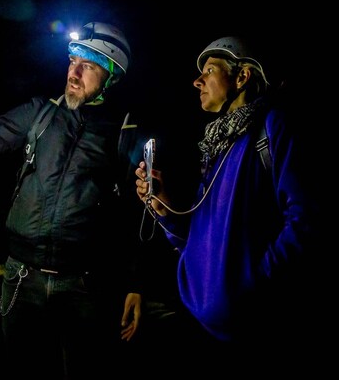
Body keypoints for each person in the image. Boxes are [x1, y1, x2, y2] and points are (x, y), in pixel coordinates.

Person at [0, 21, 144, 377]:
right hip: (21, 277)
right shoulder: (40, 112)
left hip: (84, 286)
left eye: (87, 65)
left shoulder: (123, 133)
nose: (73, 72)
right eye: (72, 60)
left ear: (111, 76)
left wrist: (136, 284)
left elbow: (134, 213)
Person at [133, 36, 319, 353]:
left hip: (254, 328)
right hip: (200, 323)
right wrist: (165, 208)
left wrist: (251, 284)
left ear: (242, 76)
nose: (197, 81)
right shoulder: (216, 147)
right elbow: (194, 241)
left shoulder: (271, 127)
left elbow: (306, 221)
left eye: (209, 70)